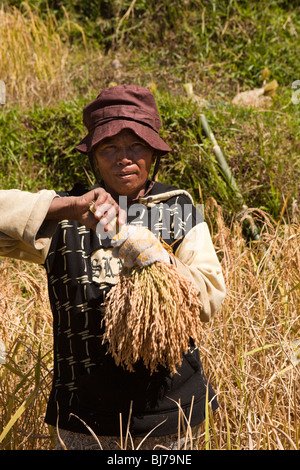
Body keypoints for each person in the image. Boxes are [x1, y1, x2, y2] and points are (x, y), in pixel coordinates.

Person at [0, 85, 226, 450]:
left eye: (136, 145)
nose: (124, 158)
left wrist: (154, 254)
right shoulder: (68, 216)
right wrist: (66, 207)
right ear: (93, 157)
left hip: (170, 417)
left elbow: (210, 297)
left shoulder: (178, 209)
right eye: (109, 148)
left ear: (153, 152)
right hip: (84, 420)